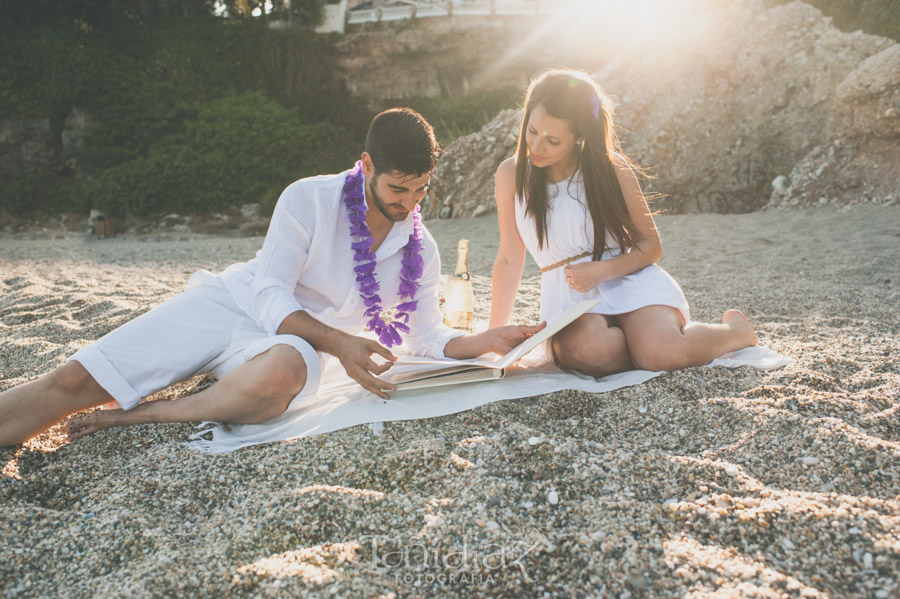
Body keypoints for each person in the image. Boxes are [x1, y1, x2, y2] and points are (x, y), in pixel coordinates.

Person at [0, 108, 543, 447]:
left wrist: (483, 341)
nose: (410, 202)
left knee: (279, 373)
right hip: (232, 307)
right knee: (73, 382)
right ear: (367, 166)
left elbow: (424, 338)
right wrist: (343, 344)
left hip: (293, 349)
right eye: (400, 188)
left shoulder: (419, 247)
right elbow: (269, 291)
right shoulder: (308, 197)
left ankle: (144, 416)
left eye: (422, 189)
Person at [489, 69, 757, 377]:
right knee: (591, 352)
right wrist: (492, 337)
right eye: (532, 131)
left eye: (552, 140)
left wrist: (602, 270)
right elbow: (510, 258)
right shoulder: (511, 174)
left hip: (629, 280)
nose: (536, 147)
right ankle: (638, 347)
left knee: (662, 354)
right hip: (569, 299)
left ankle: (736, 333)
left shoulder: (611, 169)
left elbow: (651, 247)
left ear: (580, 136)